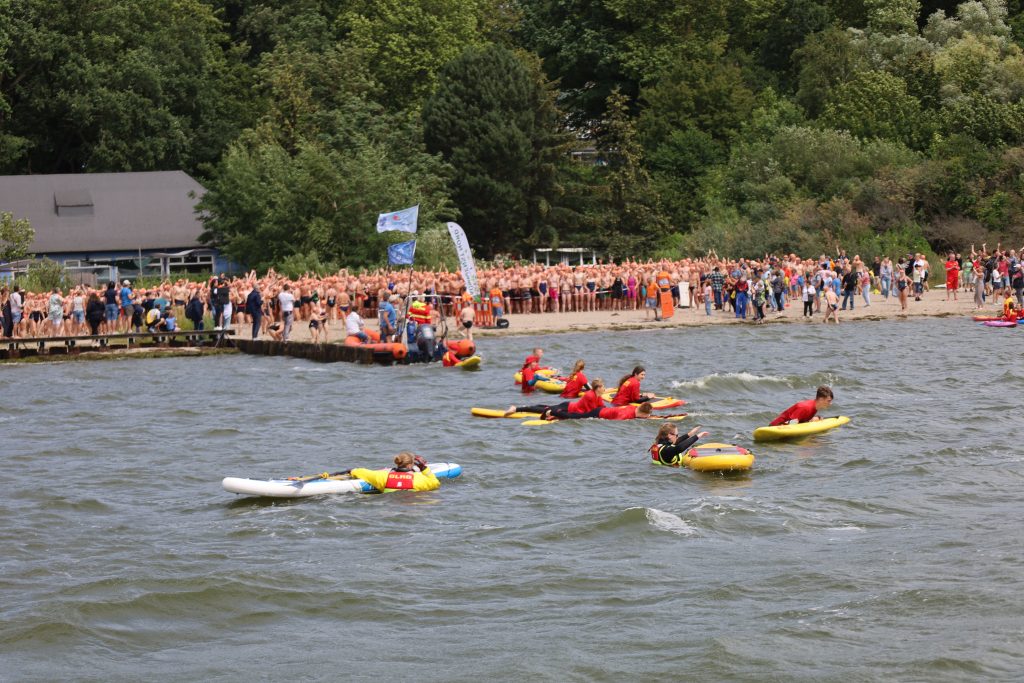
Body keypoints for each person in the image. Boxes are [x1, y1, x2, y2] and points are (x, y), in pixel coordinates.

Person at [348, 452, 440, 492]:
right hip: (410, 507)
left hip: (389, 506)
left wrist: (352, 471)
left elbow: (358, 471)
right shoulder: (419, 479)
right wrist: (423, 467)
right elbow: (435, 484)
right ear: (410, 465)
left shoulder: (382, 476)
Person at [769, 386, 834, 426]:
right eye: (829, 401)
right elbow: (790, 424)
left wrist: (814, 419)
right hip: (775, 427)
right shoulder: (806, 407)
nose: (830, 403)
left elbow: (800, 420)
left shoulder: (814, 407)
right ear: (821, 399)